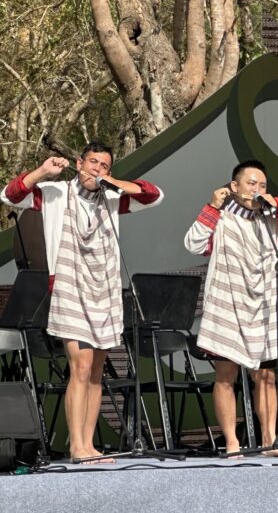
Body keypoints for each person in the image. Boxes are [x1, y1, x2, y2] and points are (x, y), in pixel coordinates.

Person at [0, 142, 164, 462]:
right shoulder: (56, 192)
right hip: (69, 286)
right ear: (79, 163)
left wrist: (114, 183)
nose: (97, 170)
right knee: (82, 365)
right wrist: (43, 171)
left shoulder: (112, 197)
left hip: (104, 289)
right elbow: (10, 195)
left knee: (97, 370)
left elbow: (154, 195)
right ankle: (76, 446)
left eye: (104, 166)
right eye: (92, 163)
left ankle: (89, 445)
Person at [185, 160, 278, 457]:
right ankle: (232, 442)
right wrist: (212, 206)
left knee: (266, 376)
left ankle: (269, 441)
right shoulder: (221, 219)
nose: (256, 189)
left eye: (262, 185)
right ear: (234, 186)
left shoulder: (272, 220)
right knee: (226, 375)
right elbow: (193, 244)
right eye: (251, 184)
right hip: (228, 305)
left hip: (263, 305)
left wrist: (274, 203)